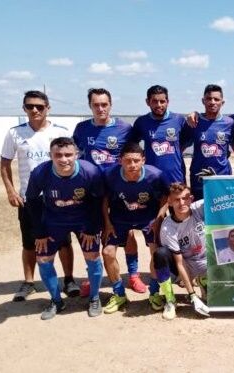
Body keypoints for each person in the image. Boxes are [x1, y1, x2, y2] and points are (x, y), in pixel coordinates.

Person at [0, 90, 77, 302]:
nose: (35, 110)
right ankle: (28, 282)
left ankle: (69, 280)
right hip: (29, 199)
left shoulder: (61, 131)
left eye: (40, 106)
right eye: (29, 106)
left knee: (63, 241)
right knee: (30, 242)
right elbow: (5, 163)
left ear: (48, 108)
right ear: (24, 108)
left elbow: (71, 162)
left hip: (59, 198)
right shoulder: (15, 133)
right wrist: (11, 191)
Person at [73, 88, 145, 295]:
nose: (100, 108)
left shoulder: (124, 128)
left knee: (128, 232)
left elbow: (135, 153)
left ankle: (133, 275)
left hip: (119, 189)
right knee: (92, 234)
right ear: (90, 106)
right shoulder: (81, 128)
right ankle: (92, 274)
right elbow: (75, 154)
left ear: (110, 105)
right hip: (92, 191)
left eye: (104, 104)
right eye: (96, 104)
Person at [25, 137, 104, 319]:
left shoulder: (90, 171)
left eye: (68, 154)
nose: (64, 159)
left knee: (92, 256)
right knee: (43, 259)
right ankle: (56, 300)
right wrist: (39, 231)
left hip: (83, 220)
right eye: (58, 155)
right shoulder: (40, 172)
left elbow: (97, 201)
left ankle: (94, 297)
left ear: (76, 154)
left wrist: (93, 228)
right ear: (50, 155)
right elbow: (33, 201)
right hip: (54, 220)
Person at [101, 142, 168, 314]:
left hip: (148, 218)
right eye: (128, 161)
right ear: (120, 161)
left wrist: (159, 219)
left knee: (156, 252)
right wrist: (107, 223)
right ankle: (119, 293)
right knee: (107, 252)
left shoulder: (156, 175)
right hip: (119, 218)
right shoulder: (110, 175)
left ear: (143, 160)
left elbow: (166, 197)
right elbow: (104, 199)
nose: (132, 165)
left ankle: (154, 293)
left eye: (136, 161)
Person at [153, 182, 210, 320]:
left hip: (208, 261)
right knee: (160, 254)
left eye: (185, 198)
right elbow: (179, 263)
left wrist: (213, 181)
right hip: (186, 265)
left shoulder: (199, 208)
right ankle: (170, 300)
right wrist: (192, 295)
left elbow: (224, 196)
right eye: (177, 200)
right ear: (170, 202)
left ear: (191, 198)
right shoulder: (168, 227)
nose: (182, 203)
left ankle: (204, 281)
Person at [131, 85, 192, 184]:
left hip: (176, 177)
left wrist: (177, 150)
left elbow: (187, 141)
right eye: (154, 101)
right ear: (148, 102)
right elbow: (133, 145)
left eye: (162, 101)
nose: (159, 105)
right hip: (150, 178)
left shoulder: (179, 120)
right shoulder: (141, 122)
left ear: (167, 102)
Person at [188, 84, 234, 200]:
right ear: (203, 101)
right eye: (209, 99)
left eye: (216, 99)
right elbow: (181, 147)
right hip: (199, 177)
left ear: (222, 102)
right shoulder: (194, 122)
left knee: (222, 213)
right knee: (199, 213)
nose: (212, 102)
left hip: (222, 177)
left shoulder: (230, 123)